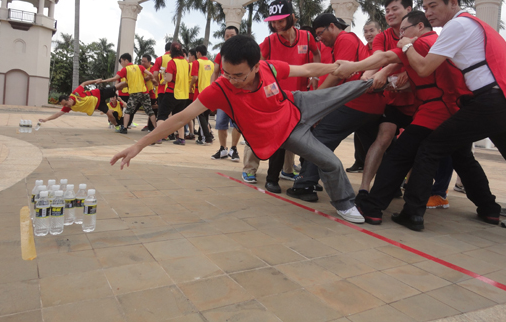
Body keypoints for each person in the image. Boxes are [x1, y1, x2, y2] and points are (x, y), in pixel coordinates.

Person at [111, 35, 373, 223]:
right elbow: (180, 118)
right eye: (227, 73)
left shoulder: (268, 67)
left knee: (351, 88)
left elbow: (305, 68)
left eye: (239, 75)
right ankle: (344, 203)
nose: (232, 80)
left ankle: (381, 79)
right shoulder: (221, 89)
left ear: (256, 66)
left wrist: (337, 67)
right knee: (331, 162)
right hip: (285, 131)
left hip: (296, 103)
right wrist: (139, 145)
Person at [378, 0, 506, 231]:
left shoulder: (457, 25)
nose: (429, 13)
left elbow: (424, 67)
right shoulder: (475, 24)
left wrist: (406, 45)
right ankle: (489, 208)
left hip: (493, 100)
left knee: (430, 149)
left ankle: (412, 213)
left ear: (453, 2)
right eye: (425, 7)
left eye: (433, 6)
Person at [335, 11, 499, 228]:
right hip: (454, 112)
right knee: (463, 160)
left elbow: (385, 58)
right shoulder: (438, 43)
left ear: (420, 27)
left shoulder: (419, 44)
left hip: (435, 110)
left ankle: (374, 208)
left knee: (399, 156)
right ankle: (489, 209)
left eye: (404, 30)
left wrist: (353, 67)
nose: (401, 35)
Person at [287, 13, 384, 202]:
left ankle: (305, 184)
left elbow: (339, 74)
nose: (320, 38)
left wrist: (315, 99)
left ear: (332, 26)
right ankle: (390, 187)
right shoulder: (342, 43)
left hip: (357, 101)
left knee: (320, 138)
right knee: (376, 147)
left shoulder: (345, 39)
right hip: (371, 105)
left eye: (320, 33)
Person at [259, 0, 321, 190]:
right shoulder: (269, 41)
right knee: (279, 139)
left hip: (302, 97)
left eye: (281, 20)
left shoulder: (307, 37)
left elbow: (316, 54)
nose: (276, 25)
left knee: (307, 138)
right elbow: (258, 65)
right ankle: (272, 179)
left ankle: (306, 178)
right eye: (273, 22)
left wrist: (315, 76)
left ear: (292, 18)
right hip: (279, 99)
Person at [358, 0, 416, 192]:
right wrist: (366, 78)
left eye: (394, 9)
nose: (390, 13)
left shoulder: (419, 31)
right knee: (383, 138)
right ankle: (364, 188)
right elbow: (378, 60)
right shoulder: (382, 37)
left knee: (414, 145)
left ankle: (412, 190)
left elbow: (420, 60)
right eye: (387, 10)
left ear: (408, 10)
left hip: (417, 102)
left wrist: (407, 72)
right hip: (392, 101)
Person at [347, 20, 383, 174]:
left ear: (380, 31)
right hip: (362, 97)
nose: (368, 34)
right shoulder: (362, 49)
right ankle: (360, 161)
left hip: (381, 98)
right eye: (366, 31)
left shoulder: (383, 50)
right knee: (360, 131)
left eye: (371, 30)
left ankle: (382, 168)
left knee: (379, 137)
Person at [99, 53, 157, 134]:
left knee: (128, 111)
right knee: (150, 111)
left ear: (126, 60)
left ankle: (125, 128)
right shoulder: (139, 67)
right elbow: (150, 74)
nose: (121, 63)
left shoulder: (125, 69)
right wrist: (153, 80)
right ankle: (156, 129)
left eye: (121, 61)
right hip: (144, 92)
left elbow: (114, 79)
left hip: (134, 93)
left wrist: (102, 81)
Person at [211, 26, 241, 161]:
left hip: (238, 94)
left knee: (237, 123)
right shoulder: (220, 55)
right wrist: (213, 90)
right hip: (223, 94)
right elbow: (215, 72)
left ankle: (233, 149)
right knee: (221, 123)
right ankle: (223, 149)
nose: (229, 38)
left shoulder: (243, 54)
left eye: (232, 36)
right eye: (227, 36)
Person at [40, 79, 122, 125]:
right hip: (98, 105)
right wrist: (46, 119)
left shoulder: (76, 93)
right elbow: (58, 114)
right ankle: (117, 126)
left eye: (66, 104)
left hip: (99, 93)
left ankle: (127, 83)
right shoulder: (69, 107)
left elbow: (84, 83)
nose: (66, 106)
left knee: (116, 87)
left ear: (69, 99)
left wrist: (95, 81)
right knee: (109, 114)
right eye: (64, 105)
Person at [155, 42, 190, 145]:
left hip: (172, 93)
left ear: (171, 51)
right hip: (183, 95)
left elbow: (169, 79)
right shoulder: (186, 63)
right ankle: (181, 138)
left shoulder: (172, 62)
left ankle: (158, 137)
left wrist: (164, 76)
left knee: (162, 115)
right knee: (178, 118)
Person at [192, 45, 215, 145]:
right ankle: (202, 137)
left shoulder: (197, 62)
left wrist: (190, 86)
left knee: (199, 116)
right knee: (205, 116)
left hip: (200, 92)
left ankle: (207, 137)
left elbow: (195, 77)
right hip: (210, 92)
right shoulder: (211, 64)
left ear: (198, 53)